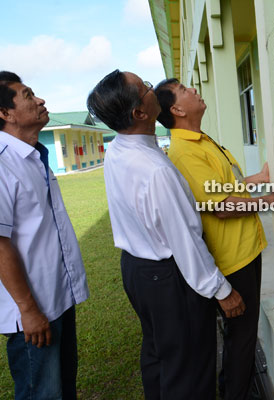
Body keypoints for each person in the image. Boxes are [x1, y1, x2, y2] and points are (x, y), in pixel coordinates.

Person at [87, 70, 245, 399]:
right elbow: (184, 240)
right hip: (167, 277)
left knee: (160, 357)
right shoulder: (155, 169)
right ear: (139, 113)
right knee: (190, 368)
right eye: (145, 88)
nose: (151, 89)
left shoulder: (119, 148)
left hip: (138, 270)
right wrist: (221, 290)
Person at [153, 78, 274, 400]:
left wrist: (258, 179)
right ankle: (236, 393)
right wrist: (271, 200)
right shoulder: (185, 152)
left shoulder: (200, 140)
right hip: (231, 258)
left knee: (243, 332)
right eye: (185, 90)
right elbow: (222, 207)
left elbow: (224, 184)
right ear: (176, 108)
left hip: (245, 249)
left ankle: (236, 389)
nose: (194, 91)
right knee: (242, 336)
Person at [0, 71, 89, 399]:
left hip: (58, 297)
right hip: (32, 311)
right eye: (28, 95)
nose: (40, 100)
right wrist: (28, 309)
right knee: (42, 393)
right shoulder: (3, 164)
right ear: (6, 114)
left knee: (63, 387)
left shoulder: (35, 156)